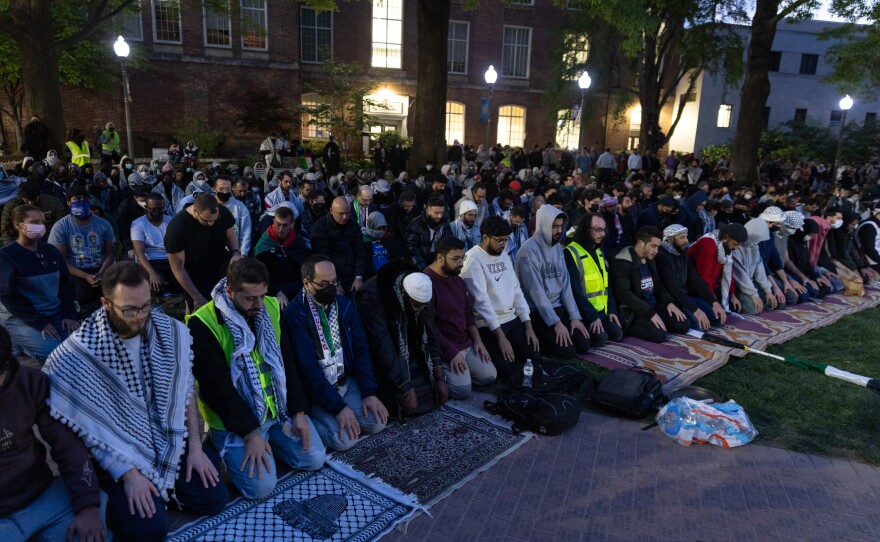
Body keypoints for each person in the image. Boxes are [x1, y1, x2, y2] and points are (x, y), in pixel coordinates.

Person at [43, 262, 228, 541]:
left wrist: (194, 447)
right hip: (115, 456)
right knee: (149, 530)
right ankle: (142, 493)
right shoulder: (75, 356)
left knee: (214, 499)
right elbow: (85, 427)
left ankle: (164, 489)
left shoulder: (170, 330)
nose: (141, 316)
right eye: (129, 309)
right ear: (105, 303)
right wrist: (128, 473)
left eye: (146, 305)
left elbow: (185, 390)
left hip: (168, 442)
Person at [189, 259, 325, 499]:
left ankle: (270, 440)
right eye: (250, 298)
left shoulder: (271, 307)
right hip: (234, 421)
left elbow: (287, 364)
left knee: (314, 457)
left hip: (276, 412)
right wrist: (251, 434)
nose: (259, 305)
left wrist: (298, 413)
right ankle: (222, 443)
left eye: (262, 295)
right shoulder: (203, 323)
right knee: (260, 488)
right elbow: (216, 388)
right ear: (230, 292)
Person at [0, 324, 107, 542]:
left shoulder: (29, 381)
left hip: (40, 495)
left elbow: (66, 443)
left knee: (95, 525)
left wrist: (87, 504)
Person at [284, 256, 389, 450]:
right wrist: (338, 408)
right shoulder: (295, 315)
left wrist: (368, 391)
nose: (331, 288)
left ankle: (344, 410)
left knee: (377, 421)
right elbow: (307, 369)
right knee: (344, 440)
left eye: (334, 282)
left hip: (344, 381)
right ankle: (311, 422)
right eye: (324, 284)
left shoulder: (344, 305)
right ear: (306, 283)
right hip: (318, 390)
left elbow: (361, 349)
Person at [357, 261, 446, 418]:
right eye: (417, 306)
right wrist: (405, 387)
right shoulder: (372, 296)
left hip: (414, 357)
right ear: (404, 294)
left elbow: (430, 334)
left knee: (437, 393)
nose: (420, 310)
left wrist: (439, 377)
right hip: (386, 361)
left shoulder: (422, 291)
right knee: (397, 405)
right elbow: (381, 346)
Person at [460, 216, 542, 377]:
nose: (504, 244)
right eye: (499, 240)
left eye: (506, 240)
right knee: (507, 368)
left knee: (534, 358)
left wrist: (528, 326)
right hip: (488, 325)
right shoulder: (472, 260)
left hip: (511, 318)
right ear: (485, 237)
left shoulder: (502, 253)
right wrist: (501, 338)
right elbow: (481, 303)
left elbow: (516, 290)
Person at [0, 205, 78, 362]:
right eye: (34, 221)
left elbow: (66, 286)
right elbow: (8, 296)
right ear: (18, 224)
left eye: (42, 222)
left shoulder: (51, 251)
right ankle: (19, 343)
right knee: (56, 356)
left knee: (80, 348)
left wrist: (69, 314)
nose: (41, 226)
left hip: (54, 312)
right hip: (22, 318)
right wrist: (39, 323)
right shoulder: (7, 256)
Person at [424, 236, 497, 397]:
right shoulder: (426, 282)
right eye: (456, 259)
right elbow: (429, 328)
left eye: (462, 257)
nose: (461, 263)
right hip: (445, 347)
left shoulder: (457, 280)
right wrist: (450, 352)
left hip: (465, 343)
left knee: (490, 375)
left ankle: (464, 374)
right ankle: (441, 372)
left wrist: (478, 341)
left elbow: (468, 314)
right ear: (440, 257)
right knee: (462, 390)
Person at [514, 205, 590, 358]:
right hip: (538, 312)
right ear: (543, 225)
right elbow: (537, 293)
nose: (558, 231)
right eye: (554, 227)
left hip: (558, 306)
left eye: (561, 226)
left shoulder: (557, 248)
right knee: (567, 352)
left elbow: (566, 285)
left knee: (585, 344)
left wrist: (574, 316)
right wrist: (556, 323)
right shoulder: (527, 251)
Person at [610, 226, 690, 343]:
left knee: (683, 324)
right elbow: (624, 294)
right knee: (659, 335)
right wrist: (650, 314)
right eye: (653, 246)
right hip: (634, 311)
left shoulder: (650, 258)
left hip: (652, 305)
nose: (656, 251)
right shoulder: (623, 261)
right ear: (641, 243)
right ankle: (630, 328)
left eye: (657, 247)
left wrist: (669, 302)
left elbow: (657, 284)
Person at [165, 192, 241, 310]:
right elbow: (177, 268)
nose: (211, 223)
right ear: (195, 211)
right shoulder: (177, 228)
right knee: (199, 311)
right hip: (194, 273)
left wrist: (236, 253)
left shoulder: (223, 212)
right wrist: (196, 297)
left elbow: (230, 236)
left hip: (220, 263)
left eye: (215, 220)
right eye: (206, 220)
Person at [48, 185, 116, 312]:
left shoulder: (103, 224)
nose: (81, 201)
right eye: (77, 199)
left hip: (101, 268)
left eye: (85, 198)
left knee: (114, 295)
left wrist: (101, 273)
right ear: (68, 202)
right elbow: (61, 260)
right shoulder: (61, 226)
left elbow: (110, 254)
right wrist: (85, 276)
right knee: (82, 297)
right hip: (75, 270)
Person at [564, 213, 624, 347]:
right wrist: (592, 316)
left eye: (604, 230)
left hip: (601, 311)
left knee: (617, 334)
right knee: (601, 338)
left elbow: (606, 284)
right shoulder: (570, 252)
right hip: (583, 312)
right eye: (598, 230)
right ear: (586, 229)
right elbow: (576, 292)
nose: (602, 234)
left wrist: (612, 310)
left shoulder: (598, 250)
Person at [656, 224, 729, 330]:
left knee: (716, 317)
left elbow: (696, 280)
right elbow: (673, 288)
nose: (686, 241)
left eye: (686, 236)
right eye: (682, 238)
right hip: (672, 300)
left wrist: (714, 302)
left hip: (686, 297)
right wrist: (696, 310)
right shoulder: (662, 257)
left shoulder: (682, 253)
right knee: (701, 325)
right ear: (670, 240)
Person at [253, 206, 309, 309]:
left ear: (292, 225)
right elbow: (260, 275)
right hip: (271, 287)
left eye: (285, 225)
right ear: (273, 221)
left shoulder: (297, 243)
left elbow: (303, 270)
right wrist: (277, 292)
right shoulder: (263, 245)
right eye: (278, 224)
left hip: (295, 286)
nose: (280, 229)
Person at [311, 197, 366, 295]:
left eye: (347, 213)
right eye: (341, 214)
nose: (345, 217)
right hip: (330, 278)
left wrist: (359, 276)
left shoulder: (353, 225)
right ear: (331, 211)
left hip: (352, 275)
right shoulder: (320, 227)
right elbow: (323, 257)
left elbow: (360, 251)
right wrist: (335, 282)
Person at [131, 193, 179, 295]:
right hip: (151, 262)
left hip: (170, 259)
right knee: (155, 286)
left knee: (180, 283)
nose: (157, 212)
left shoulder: (171, 221)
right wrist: (152, 273)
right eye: (154, 209)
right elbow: (139, 253)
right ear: (146, 208)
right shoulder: (138, 224)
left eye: (160, 209)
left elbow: (177, 246)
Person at [732, 218, 778, 314]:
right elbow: (741, 275)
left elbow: (759, 269)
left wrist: (768, 290)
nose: (758, 241)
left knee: (776, 302)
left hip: (752, 283)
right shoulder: (736, 246)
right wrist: (754, 295)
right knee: (754, 309)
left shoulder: (754, 245)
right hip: (740, 285)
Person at [1, 178, 66, 244]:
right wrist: (11, 246)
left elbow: (59, 225)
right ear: (21, 197)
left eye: (33, 200)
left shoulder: (53, 203)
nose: (30, 203)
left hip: (48, 238)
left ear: (39, 194)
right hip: (19, 240)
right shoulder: (11, 205)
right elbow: (5, 228)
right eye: (27, 201)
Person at [406, 197, 450, 269]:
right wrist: (422, 268)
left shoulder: (445, 223)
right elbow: (412, 249)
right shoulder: (416, 224)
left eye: (442, 212)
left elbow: (449, 242)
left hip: (440, 260)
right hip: (423, 261)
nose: (439, 216)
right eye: (436, 213)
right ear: (428, 211)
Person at [214, 174, 253, 256]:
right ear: (214, 189)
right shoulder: (208, 205)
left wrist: (243, 254)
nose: (225, 192)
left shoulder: (240, 207)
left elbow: (246, 233)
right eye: (221, 189)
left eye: (228, 189)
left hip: (233, 254)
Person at [363, 211, 407, 277]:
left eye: (383, 228)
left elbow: (397, 255)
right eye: (378, 228)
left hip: (389, 274)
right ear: (371, 225)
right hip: (371, 277)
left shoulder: (388, 238)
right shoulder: (362, 239)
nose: (381, 231)